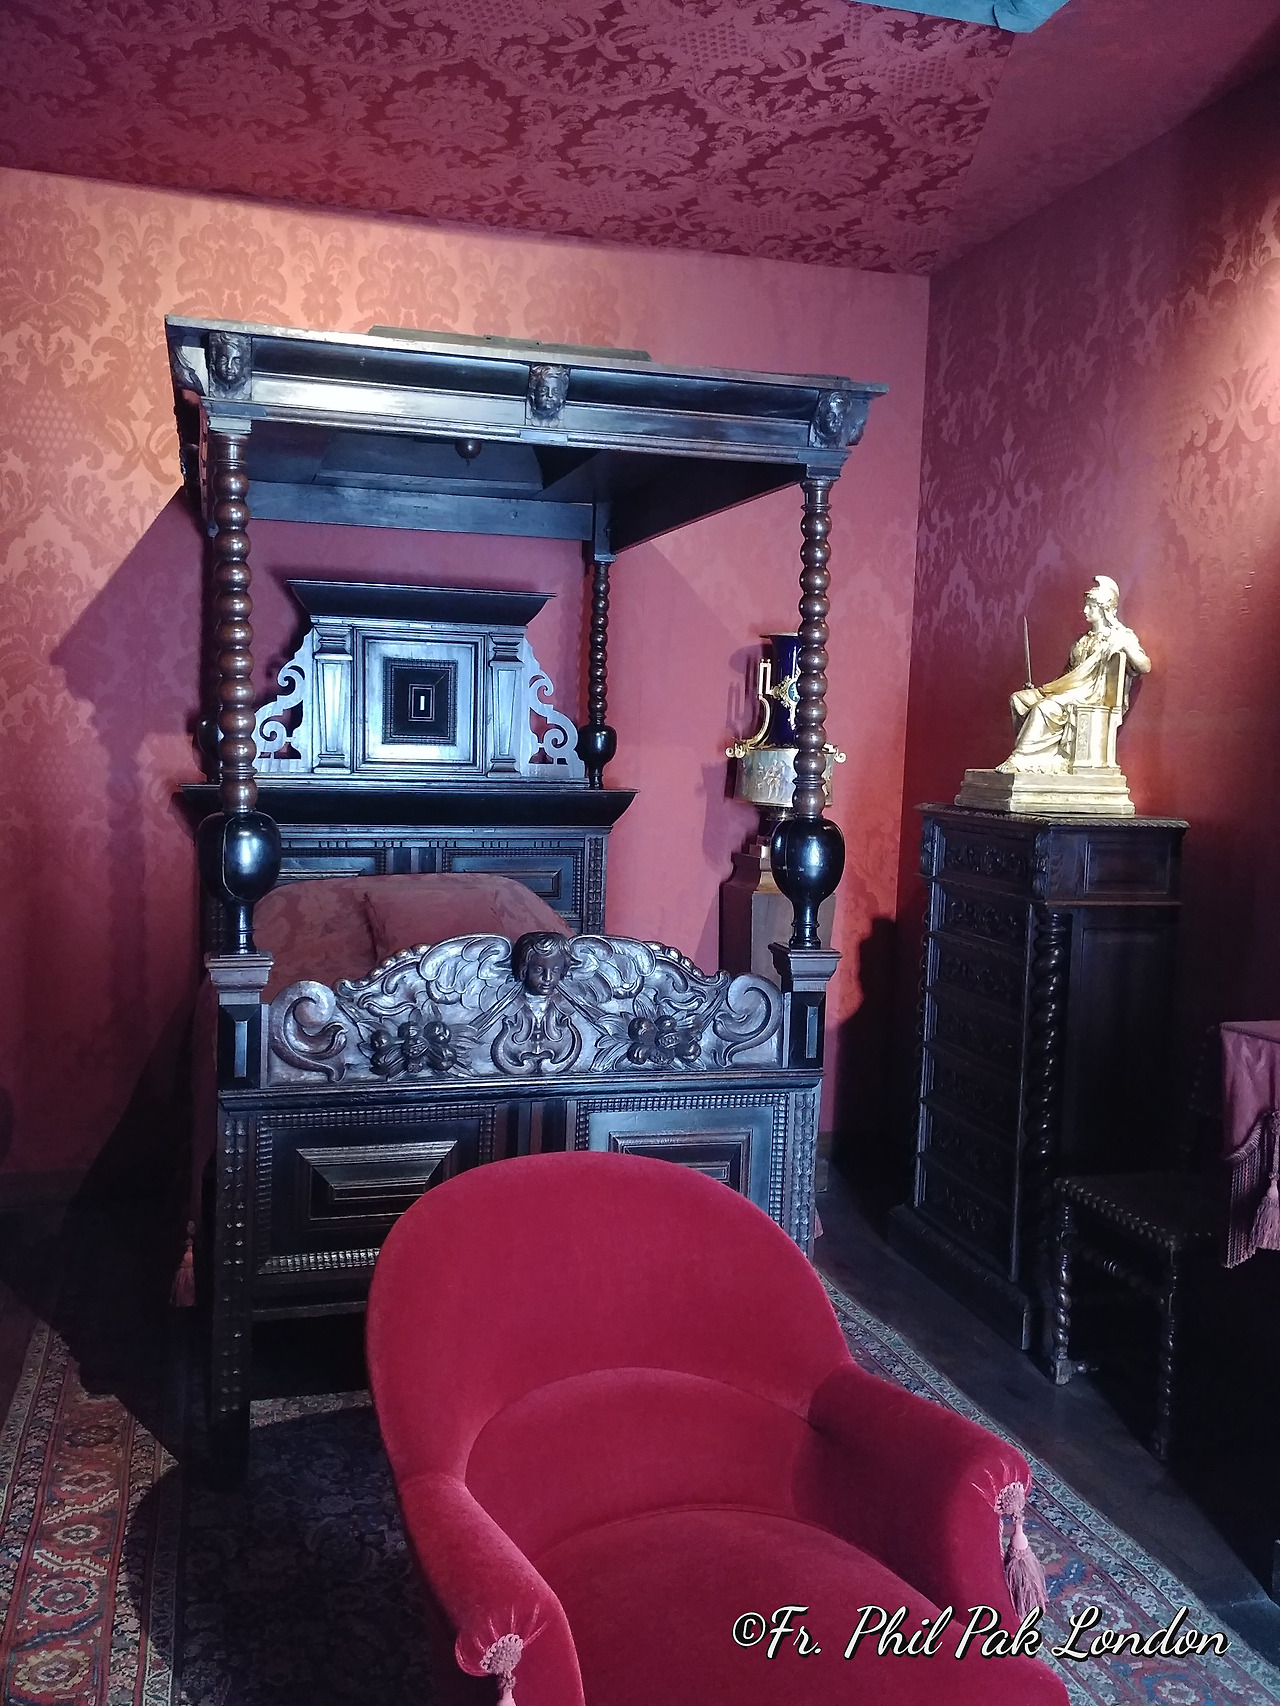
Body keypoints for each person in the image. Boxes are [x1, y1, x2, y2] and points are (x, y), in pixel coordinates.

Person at [998, 576, 1149, 773]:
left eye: (1091, 607)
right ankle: (1040, 757)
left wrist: (1125, 645)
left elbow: (1144, 666)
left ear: (1104, 609)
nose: (1085, 610)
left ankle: (1020, 759)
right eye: (1086, 606)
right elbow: (1067, 675)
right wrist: (1042, 690)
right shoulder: (1081, 641)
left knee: (1044, 708)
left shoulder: (1120, 636)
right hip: (1069, 690)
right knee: (1019, 699)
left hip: (1091, 695)